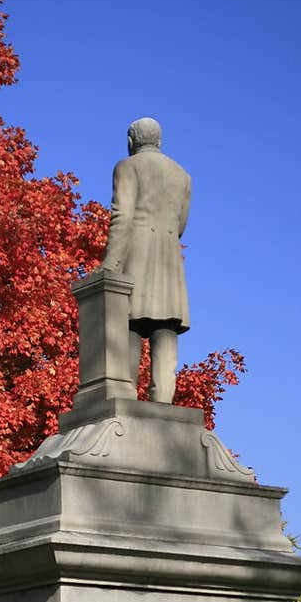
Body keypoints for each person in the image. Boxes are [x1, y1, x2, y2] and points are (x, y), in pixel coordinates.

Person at [101, 117, 191, 403]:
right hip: (169, 263)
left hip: (136, 259)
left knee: (129, 324)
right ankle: (163, 404)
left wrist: (110, 264)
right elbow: (180, 226)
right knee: (165, 329)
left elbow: (122, 216)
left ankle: (124, 399)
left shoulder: (127, 167)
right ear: (159, 141)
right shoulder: (182, 175)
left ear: (131, 141)